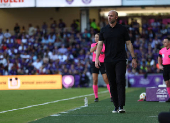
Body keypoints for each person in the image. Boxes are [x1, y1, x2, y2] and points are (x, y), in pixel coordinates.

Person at [95, 10, 137, 113]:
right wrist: (96, 58)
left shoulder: (122, 29)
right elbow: (99, 45)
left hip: (120, 59)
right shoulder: (104, 30)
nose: (109, 17)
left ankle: (121, 106)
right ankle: (116, 106)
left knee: (120, 81)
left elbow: (128, 43)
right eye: (108, 16)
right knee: (112, 83)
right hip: (108, 60)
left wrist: (133, 58)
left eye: (111, 16)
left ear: (116, 17)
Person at [90, 33, 112, 102]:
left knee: (106, 79)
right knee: (95, 80)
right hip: (94, 63)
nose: (96, 39)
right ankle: (96, 97)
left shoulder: (104, 45)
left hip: (103, 63)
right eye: (95, 37)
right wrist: (97, 45)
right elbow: (91, 50)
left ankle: (112, 95)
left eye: (97, 37)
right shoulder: (93, 44)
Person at [158, 37, 170, 102]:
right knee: (167, 82)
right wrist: (159, 65)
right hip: (165, 67)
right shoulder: (162, 50)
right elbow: (159, 57)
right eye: (163, 42)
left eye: (165, 42)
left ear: (169, 42)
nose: (163, 43)